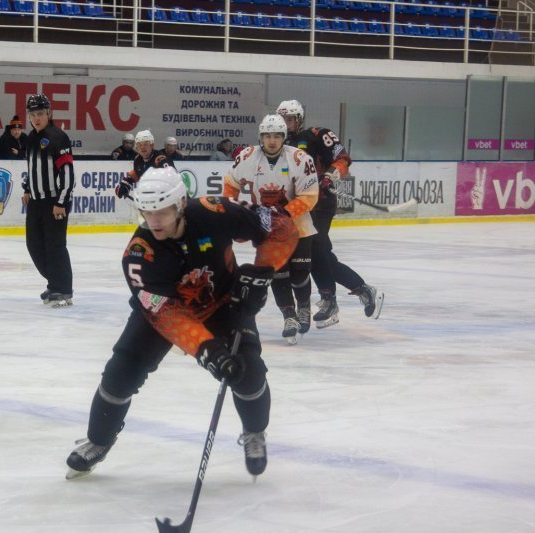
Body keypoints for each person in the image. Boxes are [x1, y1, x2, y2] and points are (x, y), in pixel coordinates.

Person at [65, 166, 299, 479]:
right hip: (166, 313)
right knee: (121, 370)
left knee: (249, 369)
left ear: (180, 205)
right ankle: (99, 440)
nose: (154, 221)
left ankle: (255, 432)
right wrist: (207, 350)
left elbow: (281, 225)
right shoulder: (140, 254)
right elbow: (166, 314)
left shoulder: (215, 211)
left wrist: (262, 271)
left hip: (223, 303)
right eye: (147, 212)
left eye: (162, 211)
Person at [277, 99, 383, 327]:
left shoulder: (318, 135)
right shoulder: (279, 143)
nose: (285, 124)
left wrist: (330, 176)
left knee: (316, 249)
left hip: (320, 203)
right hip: (297, 207)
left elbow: (342, 158)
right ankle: (362, 289)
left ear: (299, 119)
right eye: (282, 119)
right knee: (320, 254)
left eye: (289, 119)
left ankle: (330, 299)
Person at [223, 115, 319, 344]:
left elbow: (310, 195)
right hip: (267, 229)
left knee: (300, 273)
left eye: (277, 135)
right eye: (267, 136)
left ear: (284, 137)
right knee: (277, 274)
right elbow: (230, 185)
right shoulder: (247, 157)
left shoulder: (299, 158)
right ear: (261, 137)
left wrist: (283, 213)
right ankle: (289, 317)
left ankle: (303, 307)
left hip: (299, 227)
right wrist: (234, 215)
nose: (272, 140)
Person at [21, 93, 76, 307]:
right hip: (36, 202)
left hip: (55, 201)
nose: (36, 118)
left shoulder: (58, 137)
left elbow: (68, 173)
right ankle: (55, 282)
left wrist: (61, 202)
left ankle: (62, 288)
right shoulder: (31, 138)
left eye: (40, 114)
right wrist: (27, 189)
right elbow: (32, 168)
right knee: (34, 245)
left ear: (48, 113)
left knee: (55, 246)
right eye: (33, 114)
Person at [113, 129, 173, 200]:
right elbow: (136, 174)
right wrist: (125, 185)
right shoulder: (137, 159)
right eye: (139, 144)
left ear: (152, 145)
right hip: (148, 198)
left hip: (165, 198)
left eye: (146, 144)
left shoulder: (160, 159)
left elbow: (171, 179)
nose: (142, 147)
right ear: (136, 147)